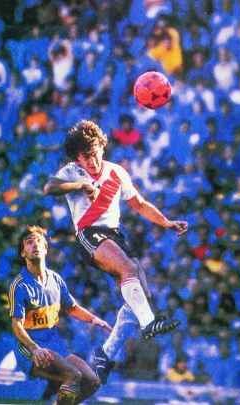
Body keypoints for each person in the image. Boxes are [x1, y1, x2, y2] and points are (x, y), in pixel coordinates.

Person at [44, 119, 187, 384]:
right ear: (78, 157)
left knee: (141, 294)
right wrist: (82, 185)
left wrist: (166, 222)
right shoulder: (73, 172)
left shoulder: (117, 172)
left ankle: (105, 353)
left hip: (114, 235)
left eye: (95, 154)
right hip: (89, 233)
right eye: (86, 157)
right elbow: (49, 188)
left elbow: (140, 204)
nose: (92, 161)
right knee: (130, 270)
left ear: (101, 148)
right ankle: (148, 324)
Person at [8, 225, 113, 405]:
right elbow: (16, 324)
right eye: (29, 242)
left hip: (55, 345)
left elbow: (72, 308)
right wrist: (35, 349)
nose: (35, 245)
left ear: (46, 249)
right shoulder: (19, 285)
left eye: (39, 241)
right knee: (73, 376)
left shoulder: (56, 280)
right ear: (23, 253)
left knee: (93, 382)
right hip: (31, 348)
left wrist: (93, 319)